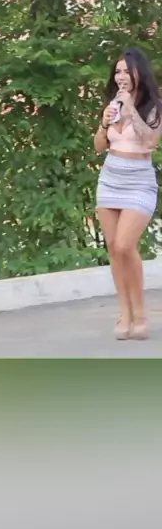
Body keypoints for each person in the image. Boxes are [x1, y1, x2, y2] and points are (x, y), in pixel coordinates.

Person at [94, 47, 162, 341]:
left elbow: (151, 141)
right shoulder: (112, 104)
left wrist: (130, 108)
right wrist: (103, 122)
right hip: (110, 180)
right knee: (113, 248)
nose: (121, 77)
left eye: (126, 71)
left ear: (139, 73)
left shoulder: (154, 106)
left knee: (125, 245)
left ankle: (141, 314)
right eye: (117, 72)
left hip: (139, 182)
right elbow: (99, 146)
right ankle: (125, 314)